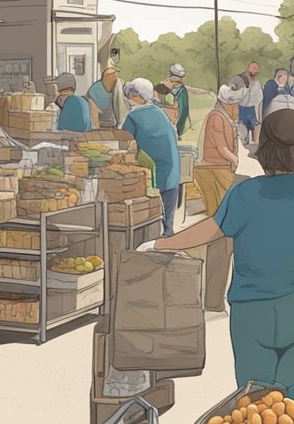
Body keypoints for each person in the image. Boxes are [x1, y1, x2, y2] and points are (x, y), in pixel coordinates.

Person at [153, 108, 294, 391]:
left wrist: (160, 243)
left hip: (251, 310)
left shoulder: (245, 192)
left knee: (253, 404)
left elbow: (209, 230)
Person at [193, 83, 245, 312]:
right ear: (229, 103)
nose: (238, 109)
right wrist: (234, 159)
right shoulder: (217, 117)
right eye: (235, 104)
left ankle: (214, 299)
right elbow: (222, 148)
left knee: (223, 233)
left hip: (219, 172)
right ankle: (213, 300)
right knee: (221, 234)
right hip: (213, 172)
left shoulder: (222, 116)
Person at [120, 77, 182, 236]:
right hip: (172, 172)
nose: (128, 97)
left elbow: (124, 144)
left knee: (149, 219)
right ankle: (167, 237)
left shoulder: (133, 117)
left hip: (153, 175)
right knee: (167, 223)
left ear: (136, 95)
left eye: (131, 93)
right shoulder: (159, 113)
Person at [230, 62, 264, 148]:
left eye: (256, 69)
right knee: (241, 129)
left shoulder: (257, 83)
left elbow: (259, 98)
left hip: (252, 109)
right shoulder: (239, 79)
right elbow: (231, 89)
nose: (255, 70)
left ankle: (255, 146)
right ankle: (242, 147)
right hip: (240, 109)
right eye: (253, 68)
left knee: (255, 126)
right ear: (248, 69)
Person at [163, 63, 190, 137]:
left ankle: (177, 131)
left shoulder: (181, 88)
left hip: (174, 105)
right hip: (169, 106)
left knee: (181, 112)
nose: (181, 78)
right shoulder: (165, 83)